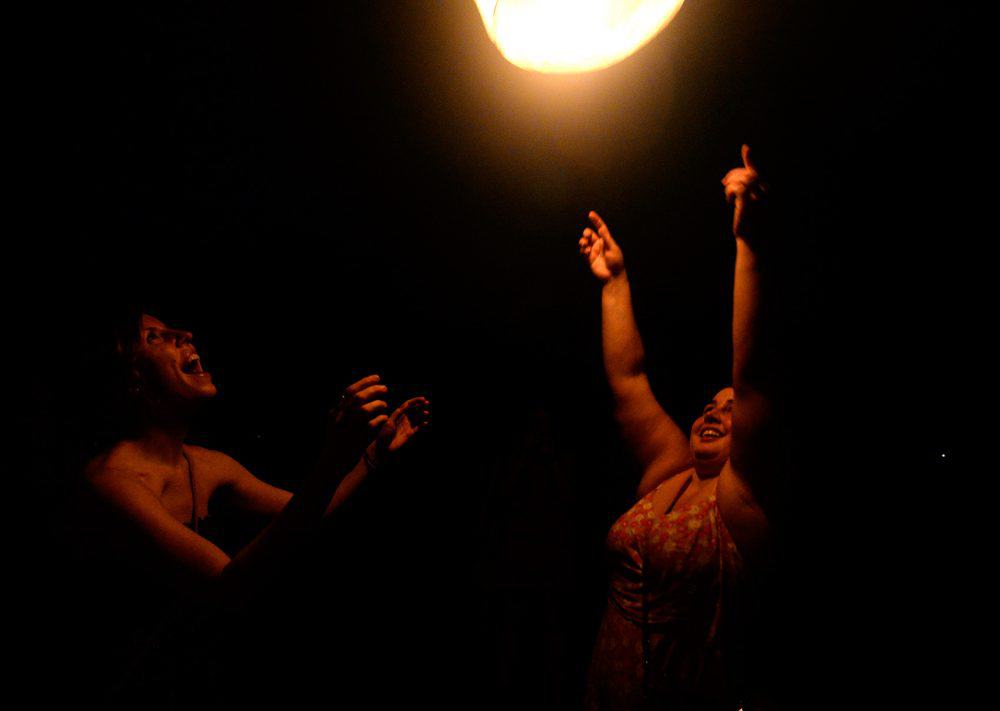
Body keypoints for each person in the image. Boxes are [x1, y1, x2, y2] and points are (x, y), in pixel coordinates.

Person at [75, 310, 430, 700]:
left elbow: (307, 513)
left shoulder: (207, 464)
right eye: (154, 338)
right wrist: (333, 459)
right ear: (134, 381)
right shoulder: (113, 483)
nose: (185, 333)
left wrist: (369, 457)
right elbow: (230, 586)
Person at [580, 145, 774, 709]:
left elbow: (754, 373)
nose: (716, 412)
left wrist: (749, 243)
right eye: (712, 404)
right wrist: (614, 283)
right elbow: (629, 378)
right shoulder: (671, 469)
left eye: (731, 409)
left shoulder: (742, 501)